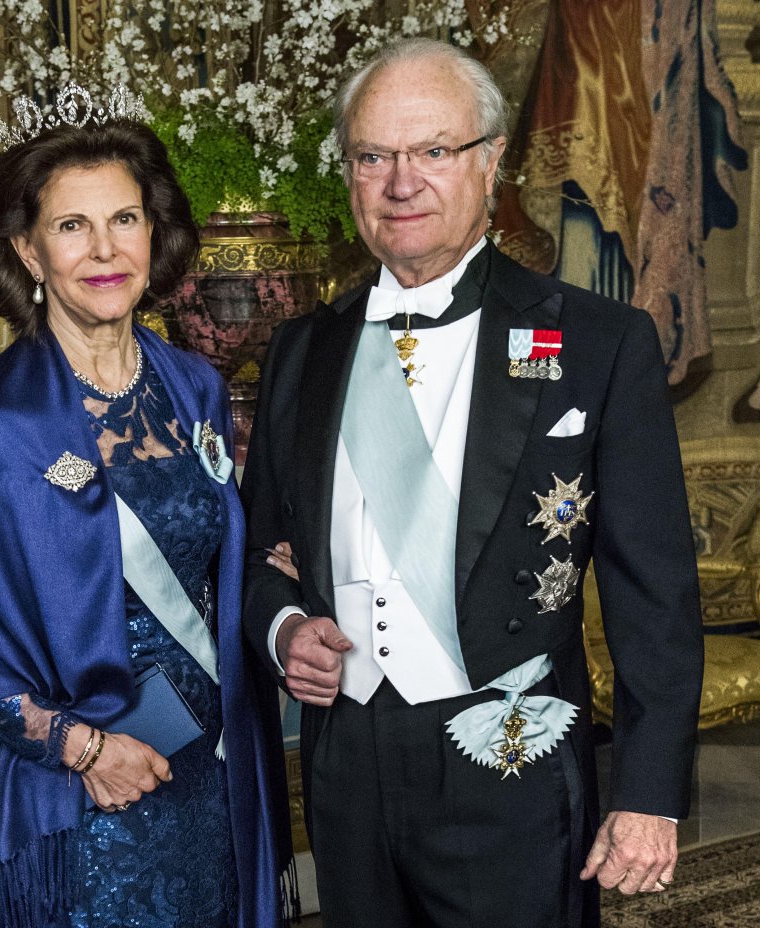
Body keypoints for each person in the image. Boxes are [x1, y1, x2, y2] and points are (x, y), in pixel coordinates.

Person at [241, 37, 704, 927]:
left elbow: (656, 595)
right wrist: (286, 625)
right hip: (347, 765)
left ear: (491, 163)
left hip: (513, 759)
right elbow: (263, 550)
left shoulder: (599, 345)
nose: (399, 181)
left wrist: (650, 793)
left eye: (433, 151)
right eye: (373, 156)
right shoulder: (304, 349)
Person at [0, 99, 290, 928]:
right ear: (28, 251)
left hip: (214, 758)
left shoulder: (193, 387)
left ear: (154, 236)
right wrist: (82, 750)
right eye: (72, 226)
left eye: (124, 218)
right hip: (87, 784)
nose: (106, 249)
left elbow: (219, 557)